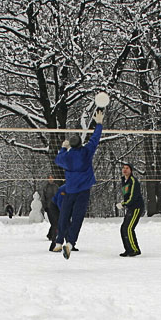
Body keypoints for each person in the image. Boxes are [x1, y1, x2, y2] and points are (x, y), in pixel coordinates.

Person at [53, 108, 104, 259]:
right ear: (81, 144)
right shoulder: (86, 152)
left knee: (64, 215)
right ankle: (70, 243)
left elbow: (57, 159)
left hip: (70, 190)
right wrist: (99, 124)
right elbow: (95, 138)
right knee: (77, 217)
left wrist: (63, 148)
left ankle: (58, 241)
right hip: (83, 191)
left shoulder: (66, 157)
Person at [118, 163, 144, 257]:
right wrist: (124, 202)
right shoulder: (124, 180)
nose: (125, 170)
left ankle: (135, 249)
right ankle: (128, 249)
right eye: (123, 168)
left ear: (131, 170)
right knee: (123, 228)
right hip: (130, 207)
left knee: (129, 228)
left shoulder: (133, 181)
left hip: (136, 207)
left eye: (127, 168)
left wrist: (123, 204)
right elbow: (127, 195)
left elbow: (133, 197)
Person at [42, 174, 62, 245]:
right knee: (53, 222)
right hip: (49, 207)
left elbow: (60, 196)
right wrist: (45, 207)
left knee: (56, 222)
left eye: (52, 178)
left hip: (56, 207)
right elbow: (43, 198)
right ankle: (53, 236)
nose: (50, 179)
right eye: (49, 178)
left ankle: (51, 235)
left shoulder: (56, 187)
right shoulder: (45, 187)